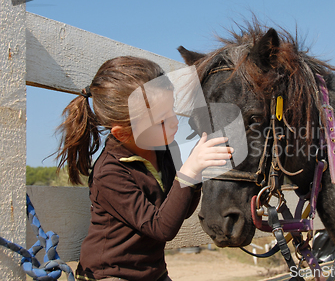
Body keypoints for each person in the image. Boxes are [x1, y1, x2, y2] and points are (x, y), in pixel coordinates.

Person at [56, 56, 233, 281]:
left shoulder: (167, 149)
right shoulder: (110, 173)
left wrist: (197, 174)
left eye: (172, 110)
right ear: (122, 133)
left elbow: (180, 211)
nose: (174, 122)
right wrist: (189, 172)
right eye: (161, 121)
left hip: (154, 273)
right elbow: (161, 228)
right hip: (109, 275)